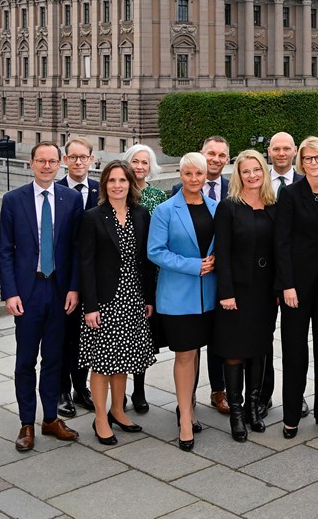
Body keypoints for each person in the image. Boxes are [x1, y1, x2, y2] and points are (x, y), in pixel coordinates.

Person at [0, 142, 83, 452]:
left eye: (52, 161)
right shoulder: (13, 200)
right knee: (25, 360)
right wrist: (10, 292)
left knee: (54, 357)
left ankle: (50, 419)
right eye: (41, 161)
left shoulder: (71, 199)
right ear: (31, 164)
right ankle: (26, 422)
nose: (47, 166)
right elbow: (5, 250)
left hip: (60, 290)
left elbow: (75, 248)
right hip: (28, 290)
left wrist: (74, 287)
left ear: (59, 164)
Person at [77, 160, 156, 446]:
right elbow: (86, 264)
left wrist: (148, 298)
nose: (117, 185)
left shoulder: (141, 214)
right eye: (112, 180)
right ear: (104, 185)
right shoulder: (93, 217)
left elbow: (146, 262)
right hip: (105, 300)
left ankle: (118, 410)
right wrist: (91, 306)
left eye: (123, 180)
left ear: (130, 184)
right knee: (101, 362)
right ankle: (100, 418)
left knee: (122, 358)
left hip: (133, 298)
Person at [274, 136, 318, 438]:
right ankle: (291, 415)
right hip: (297, 288)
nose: (313, 163)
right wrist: (286, 285)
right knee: (294, 351)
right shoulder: (289, 194)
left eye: (317, 158)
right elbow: (282, 242)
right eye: (307, 158)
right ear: (301, 162)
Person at [147, 152, 218, 452]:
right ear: (180, 174)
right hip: (178, 295)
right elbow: (155, 251)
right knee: (185, 355)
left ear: (206, 176)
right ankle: (185, 419)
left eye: (198, 174)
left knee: (198, 352)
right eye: (188, 174)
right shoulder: (165, 210)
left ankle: (189, 403)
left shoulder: (217, 207)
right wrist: (193, 265)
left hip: (209, 296)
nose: (193, 179)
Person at [213, 150, 279, 442]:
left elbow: (281, 251)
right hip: (236, 291)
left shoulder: (274, 205)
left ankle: (254, 408)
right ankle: (237, 413)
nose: (252, 175)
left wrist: (279, 288)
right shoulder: (228, 208)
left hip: (264, 291)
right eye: (245, 171)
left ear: (264, 173)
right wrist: (226, 292)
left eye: (256, 170)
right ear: (237, 176)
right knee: (235, 351)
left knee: (260, 348)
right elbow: (222, 254)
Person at [173, 136, 230, 414]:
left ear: (227, 160)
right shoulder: (177, 191)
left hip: (222, 280)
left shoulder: (234, 190)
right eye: (211, 153)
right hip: (190, 284)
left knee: (220, 340)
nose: (215, 158)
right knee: (190, 345)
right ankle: (188, 396)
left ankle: (219, 391)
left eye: (221, 155)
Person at [55, 137, 99, 419]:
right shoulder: (55, 190)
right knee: (64, 336)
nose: (79, 162)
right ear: (65, 161)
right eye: (73, 157)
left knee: (87, 336)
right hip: (64, 276)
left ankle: (81, 388)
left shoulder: (101, 189)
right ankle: (62, 390)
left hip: (93, 276)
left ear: (92, 160)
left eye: (83, 157)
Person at [122, 143, 167, 413]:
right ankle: (119, 390)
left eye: (145, 163)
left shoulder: (157, 196)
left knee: (143, 337)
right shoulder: (118, 190)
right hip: (122, 275)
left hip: (148, 274)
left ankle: (138, 390)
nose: (140, 167)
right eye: (135, 162)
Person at [264, 131, 302, 416]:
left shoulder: (305, 184)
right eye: (276, 148)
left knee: (294, 343)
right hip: (261, 275)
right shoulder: (256, 179)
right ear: (269, 151)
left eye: (286, 148)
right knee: (264, 339)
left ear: (295, 150)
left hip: (293, 278)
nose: (281, 153)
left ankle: (295, 395)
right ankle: (263, 395)